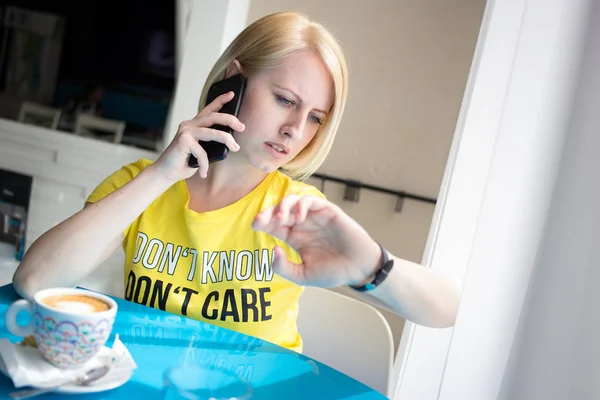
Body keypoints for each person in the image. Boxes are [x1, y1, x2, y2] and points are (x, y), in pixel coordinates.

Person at [12, 11, 461, 353]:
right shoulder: (140, 186)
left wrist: (371, 266)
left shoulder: (298, 211)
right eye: (285, 100)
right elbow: (34, 281)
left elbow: (446, 310)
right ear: (233, 81)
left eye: (315, 118)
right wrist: (164, 173)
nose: (295, 130)